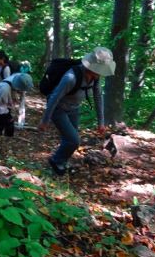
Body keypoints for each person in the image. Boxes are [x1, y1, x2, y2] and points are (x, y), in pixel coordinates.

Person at [38, 47, 115, 175]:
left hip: (74, 108)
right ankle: (55, 161)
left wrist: (101, 122)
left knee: (69, 140)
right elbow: (54, 98)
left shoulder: (95, 77)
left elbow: (98, 97)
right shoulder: (70, 77)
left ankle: (60, 165)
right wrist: (45, 120)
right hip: (58, 109)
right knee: (73, 141)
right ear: (92, 67)